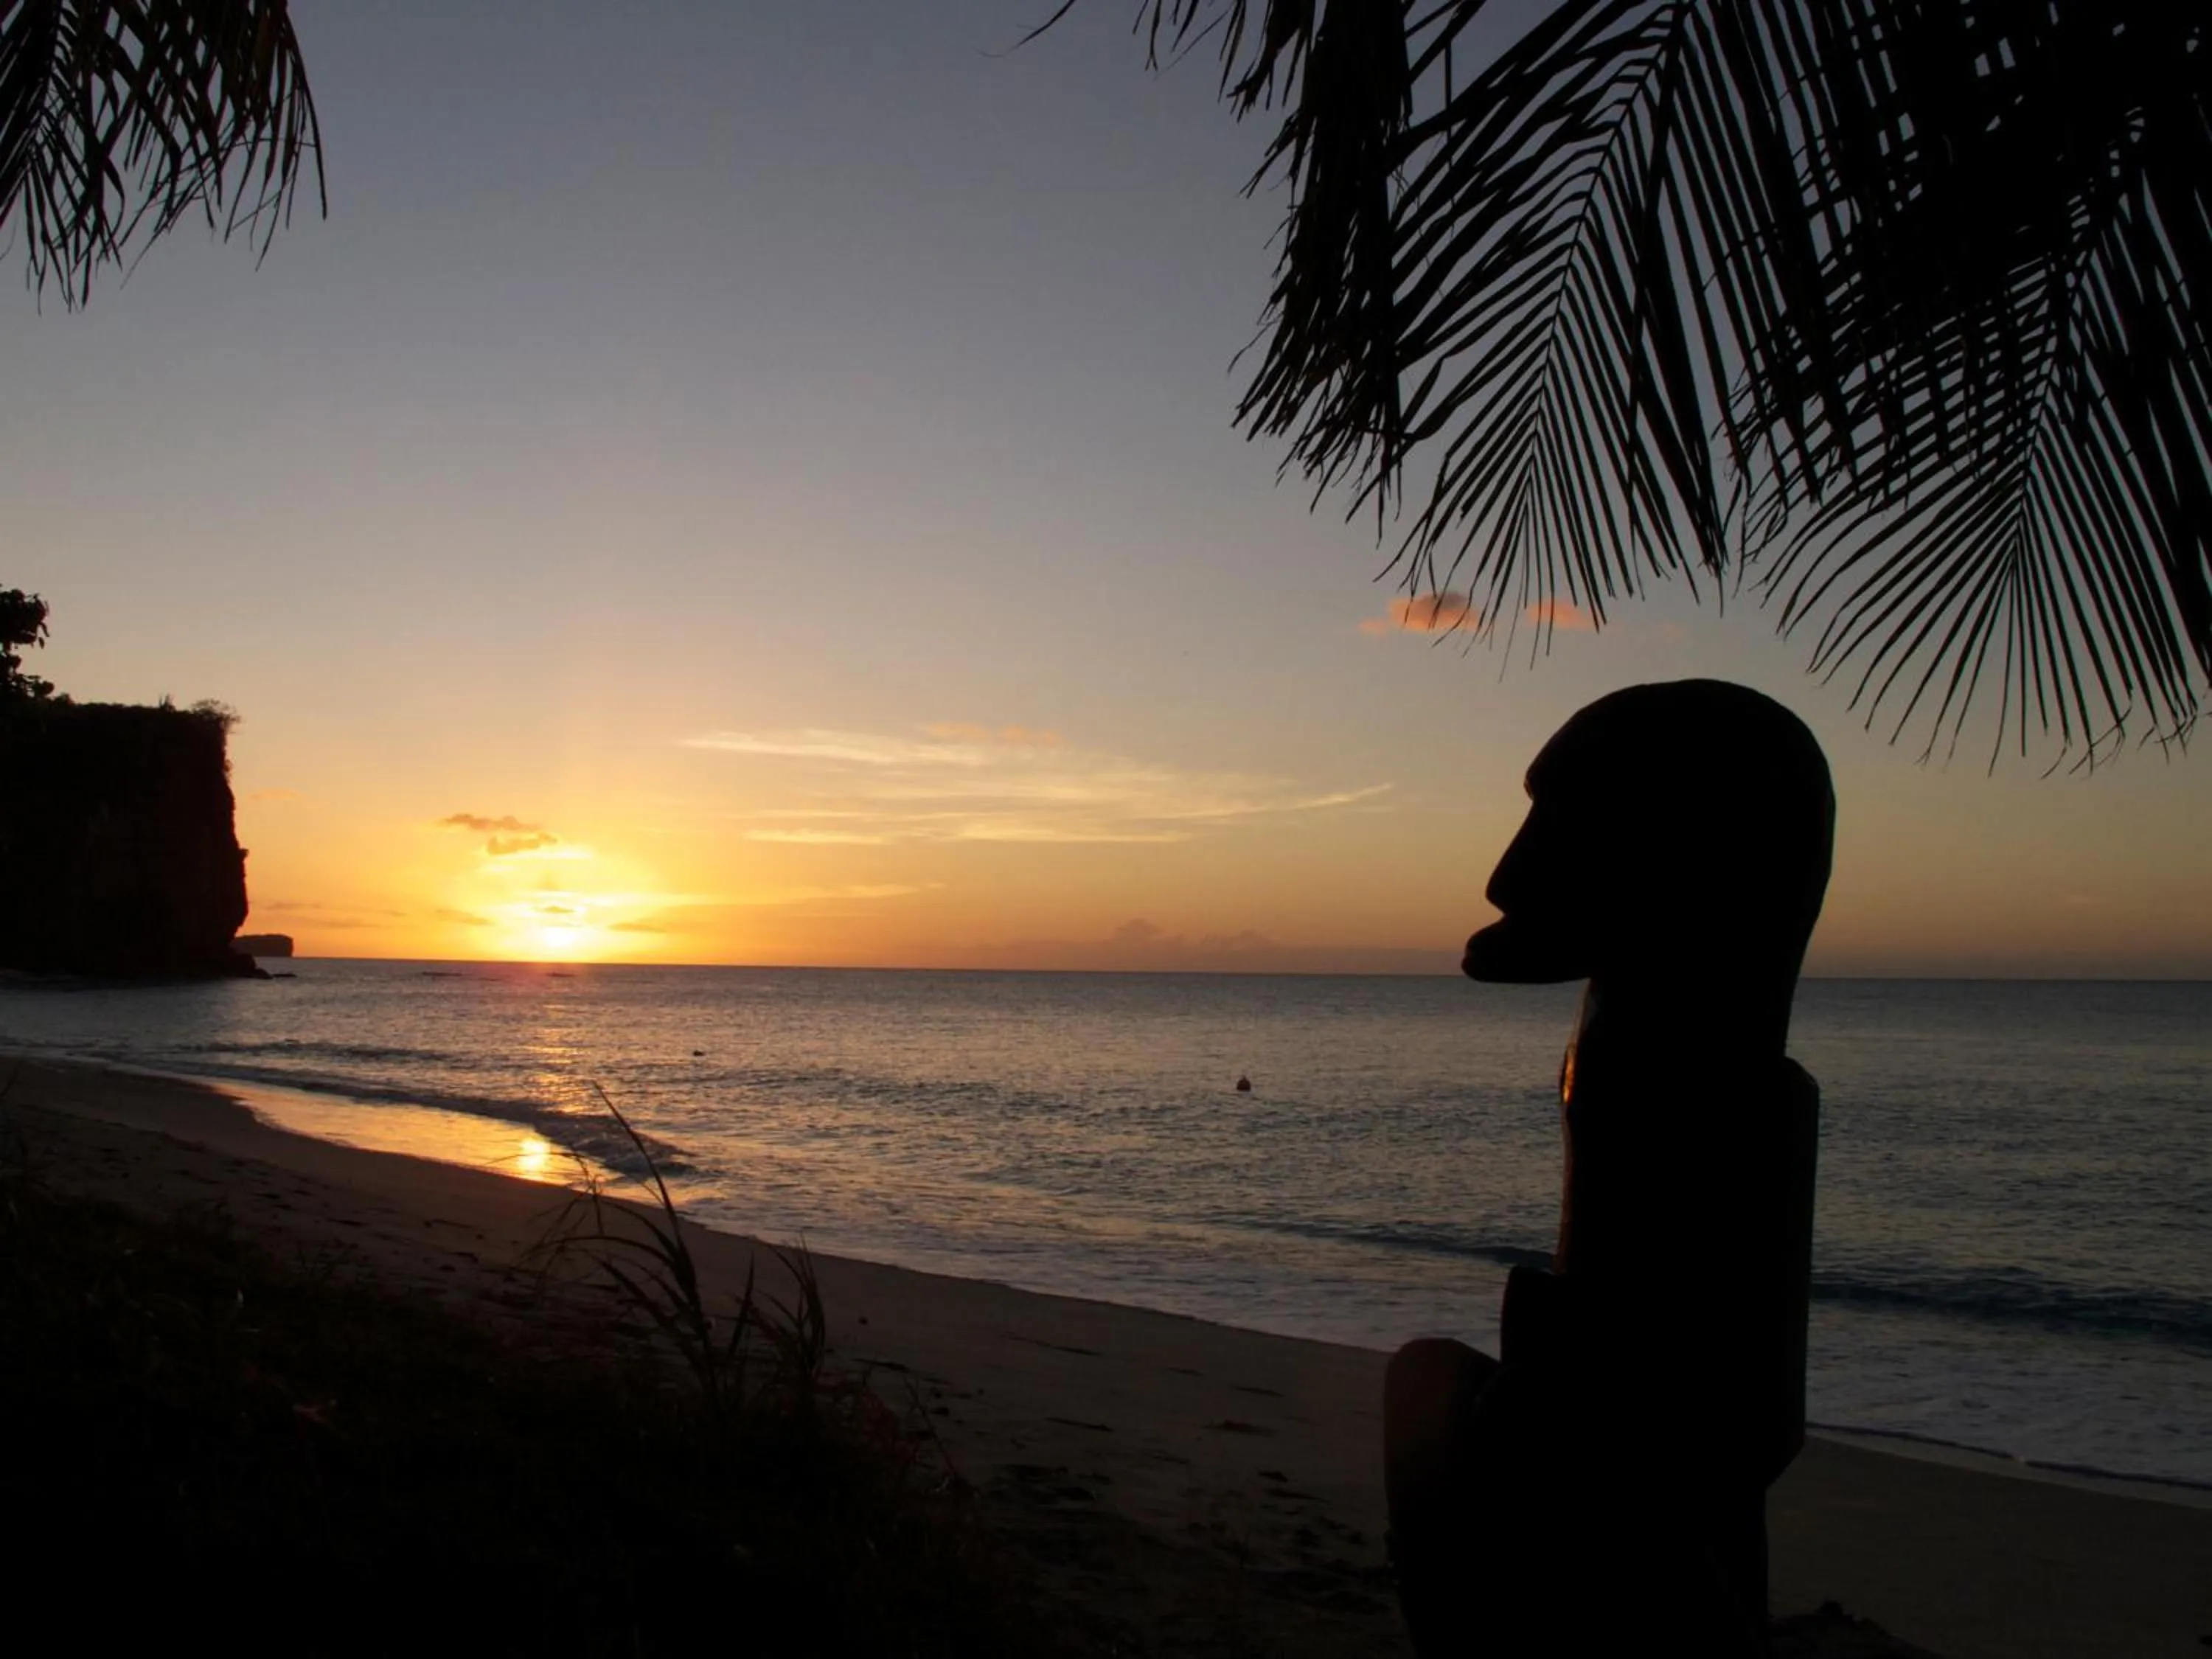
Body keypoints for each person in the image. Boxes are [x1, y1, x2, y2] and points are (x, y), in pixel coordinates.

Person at [1385, 680, 1834, 1655]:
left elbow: (1724, 1414)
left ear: (1680, 848)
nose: (1508, 876)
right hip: (1594, 1450)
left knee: (1429, 1391)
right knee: (1427, 1389)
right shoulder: (1641, 1058)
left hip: (1633, 1474)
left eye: (1564, 821)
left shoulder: (1724, 1091)